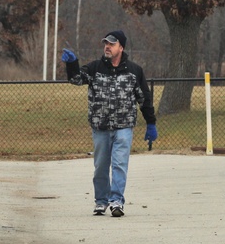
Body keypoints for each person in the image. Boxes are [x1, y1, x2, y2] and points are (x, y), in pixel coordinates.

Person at [61, 30, 157, 217]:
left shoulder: (134, 71)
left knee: (120, 164)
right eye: (105, 43)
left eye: (111, 44)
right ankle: (101, 201)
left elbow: (144, 98)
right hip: (101, 127)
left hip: (124, 126)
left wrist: (151, 123)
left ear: (121, 47)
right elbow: (75, 79)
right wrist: (72, 64)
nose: (107, 46)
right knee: (101, 167)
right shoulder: (95, 68)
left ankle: (116, 201)